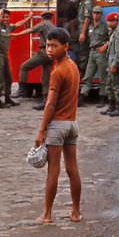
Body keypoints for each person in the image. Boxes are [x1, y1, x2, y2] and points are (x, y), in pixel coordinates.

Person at [34, 27, 82, 224]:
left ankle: (47, 213)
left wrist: (41, 129)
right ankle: (76, 212)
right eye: (48, 45)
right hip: (72, 124)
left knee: (53, 169)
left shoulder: (58, 72)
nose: (50, 50)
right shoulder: (73, 67)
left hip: (58, 126)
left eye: (54, 46)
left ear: (65, 47)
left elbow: (51, 104)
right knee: (72, 168)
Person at [12, 11, 56, 108]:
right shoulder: (53, 26)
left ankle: (22, 89)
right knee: (46, 78)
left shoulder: (43, 24)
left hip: (44, 52)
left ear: (43, 17)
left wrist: (16, 35)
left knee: (24, 67)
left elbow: (30, 30)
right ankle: (46, 101)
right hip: (51, 53)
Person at [0, 8, 31, 108]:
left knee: (9, 78)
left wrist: (29, 18)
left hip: (5, 55)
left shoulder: (8, 27)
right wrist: (0, 12)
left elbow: (18, 24)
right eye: (3, 17)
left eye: (7, 17)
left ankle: (8, 99)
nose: (5, 19)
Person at [78, 6, 110, 109]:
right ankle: (82, 97)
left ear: (101, 15)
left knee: (103, 77)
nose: (96, 15)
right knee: (88, 75)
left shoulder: (105, 26)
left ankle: (102, 98)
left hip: (101, 53)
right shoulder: (90, 27)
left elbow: (112, 38)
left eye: (98, 13)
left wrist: (105, 46)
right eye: (94, 13)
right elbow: (87, 40)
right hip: (92, 52)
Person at [102, 12, 119, 118]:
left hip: (115, 63)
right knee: (109, 85)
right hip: (111, 62)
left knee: (117, 87)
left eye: (111, 21)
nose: (108, 23)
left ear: (116, 21)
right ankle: (112, 106)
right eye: (108, 21)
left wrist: (114, 64)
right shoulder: (113, 32)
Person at [67, 0, 93, 74]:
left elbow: (87, 19)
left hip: (85, 29)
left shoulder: (88, 3)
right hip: (80, 27)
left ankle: (82, 72)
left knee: (83, 51)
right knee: (71, 41)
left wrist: (82, 33)